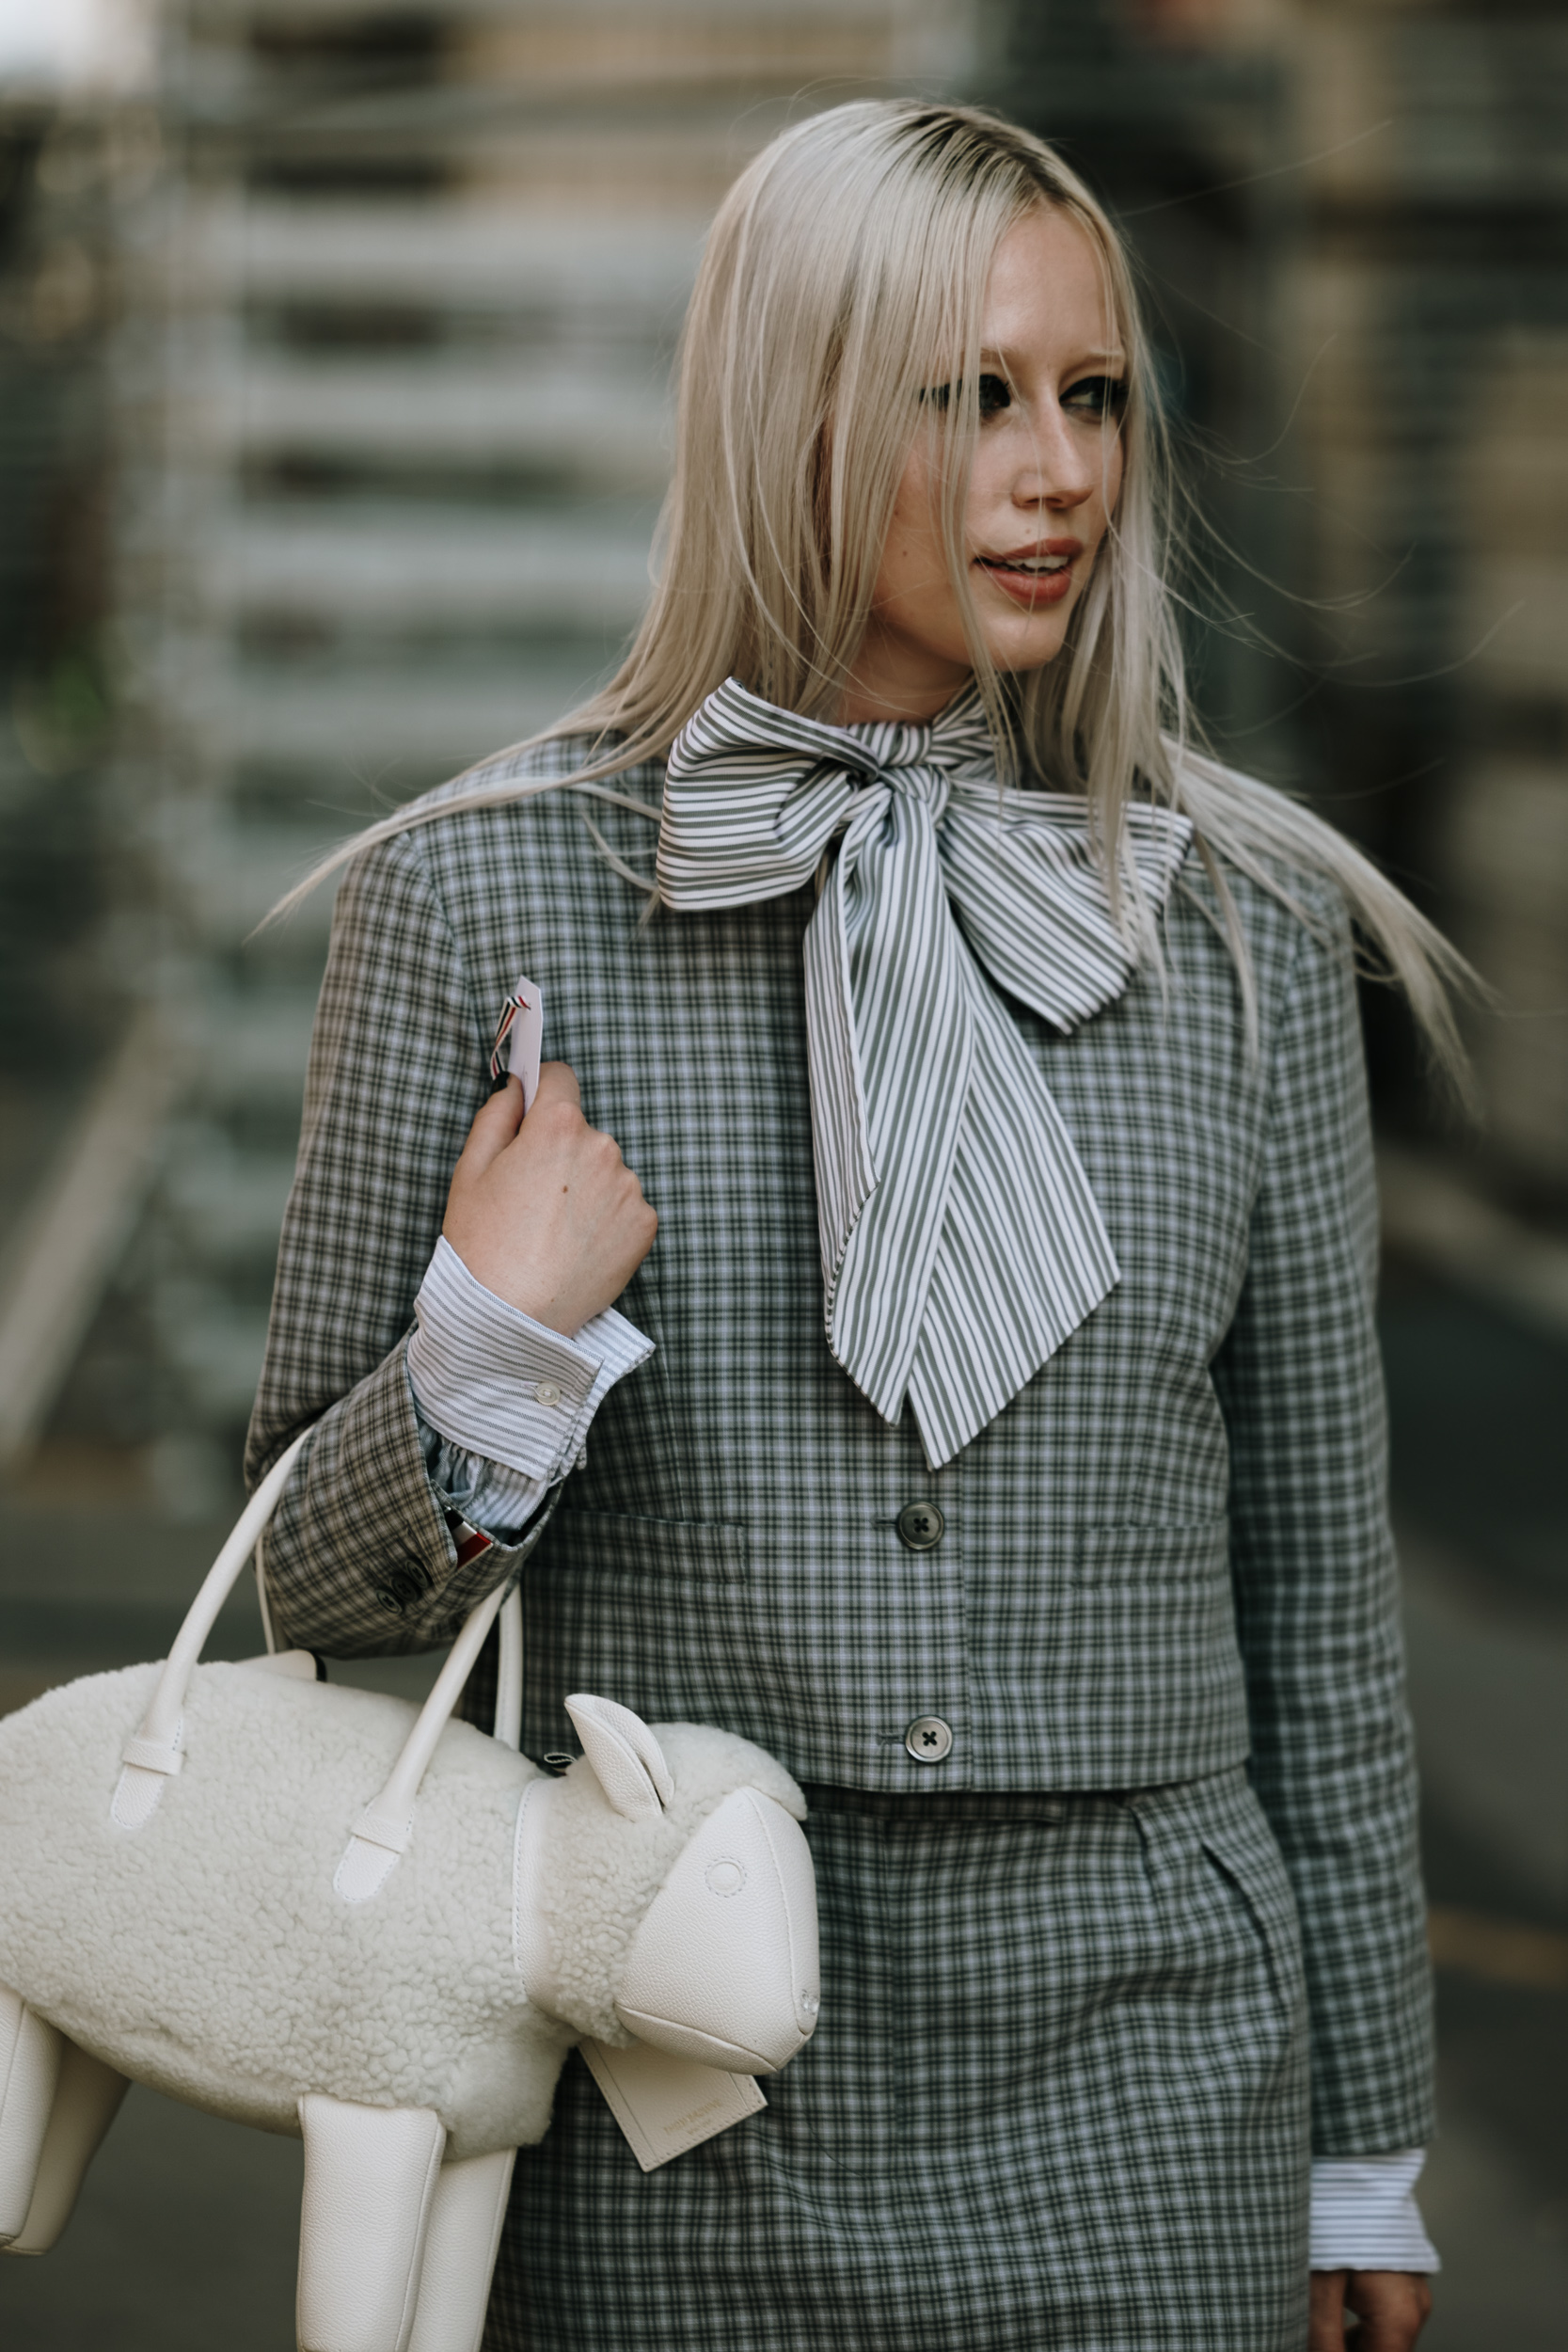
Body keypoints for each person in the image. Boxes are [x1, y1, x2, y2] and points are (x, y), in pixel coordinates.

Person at [247, 101, 1463, 2352]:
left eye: (1090, 393)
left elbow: (1321, 1586)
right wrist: (488, 1351)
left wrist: (1361, 2139)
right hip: (648, 2084)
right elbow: (297, 1598)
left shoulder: (1250, 933)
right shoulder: (479, 902)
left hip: (1149, 2090)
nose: (1060, 467)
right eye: (968, 392)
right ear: (795, 402)